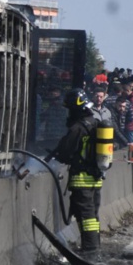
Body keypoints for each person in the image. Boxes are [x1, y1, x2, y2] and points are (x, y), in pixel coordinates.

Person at [47, 89, 104, 256]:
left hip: (82, 179)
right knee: (92, 215)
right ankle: (94, 246)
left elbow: (65, 152)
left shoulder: (77, 128)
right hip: (95, 179)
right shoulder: (94, 123)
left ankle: (90, 249)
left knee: (86, 216)